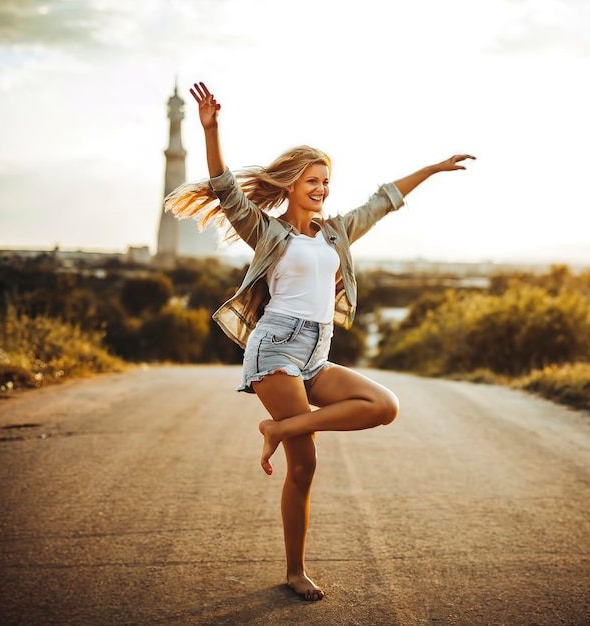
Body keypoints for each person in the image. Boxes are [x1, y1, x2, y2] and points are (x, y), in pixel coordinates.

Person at [165, 81, 475, 601]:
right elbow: (224, 187)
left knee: (383, 405)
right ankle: (294, 569)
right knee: (304, 465)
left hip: (317, 352)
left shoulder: (335, 234)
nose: (322, 188)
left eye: (326, 181)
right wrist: (212, 129)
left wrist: (433, 169)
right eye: (312, 180)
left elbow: (385, 200)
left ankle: (278, 426)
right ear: (290, 184)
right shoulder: (268, 232)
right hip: (276, 349)